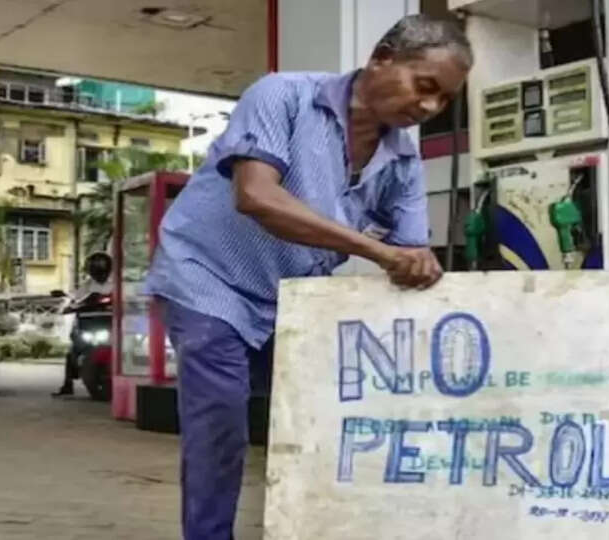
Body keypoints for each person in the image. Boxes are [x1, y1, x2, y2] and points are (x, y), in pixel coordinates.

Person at [143, 14, 472, 539]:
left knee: (326, 410)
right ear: (382, 58)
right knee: (220, 418)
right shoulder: (284, 95)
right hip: (207, 277)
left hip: (289, 301)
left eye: (444, 100)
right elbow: (256, 195)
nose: (430, 107)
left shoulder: (403, 164)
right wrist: (378, 251)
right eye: (424, 85)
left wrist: (420, 264)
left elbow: (412, 253)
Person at [52, 251, 113, 397]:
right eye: (94, 267)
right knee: (72, 351)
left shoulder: (116, 284)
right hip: (87, 323)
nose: (98, 269)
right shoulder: (87, 285)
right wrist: (69, 304)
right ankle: (68, 385)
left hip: (109, 323)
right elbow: (74, 298)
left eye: (100, 266)